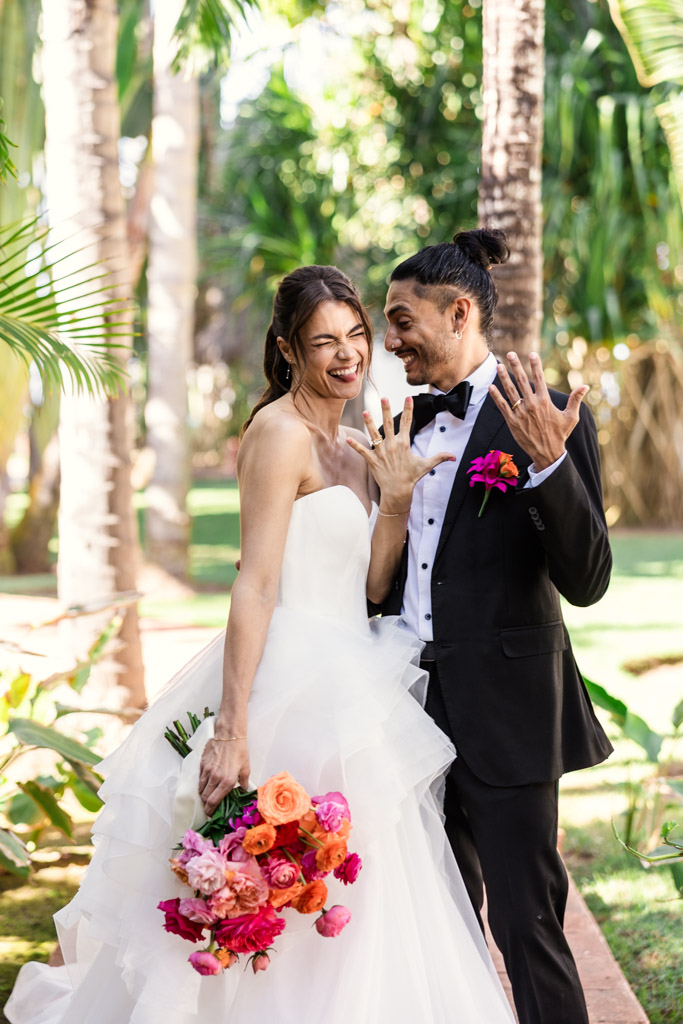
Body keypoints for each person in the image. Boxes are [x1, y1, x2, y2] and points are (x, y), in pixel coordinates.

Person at [5, 265, 515, 1024]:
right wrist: (232, 727)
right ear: (286, 349)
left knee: (353, 891)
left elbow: (372, 587)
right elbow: (255, 585)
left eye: (355, 336)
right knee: (260, 880)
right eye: (323, 342)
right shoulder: (276, 433)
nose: (345, 355)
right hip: (286, 680)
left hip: (353, 679)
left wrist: (397, 501)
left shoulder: (351, 441)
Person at [375, 227, 614, 1024]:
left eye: (402, 318)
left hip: (509, 712)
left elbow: (587, 580)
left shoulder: (548, 416)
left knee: (526, 924)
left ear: (457, 312)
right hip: (403, 712)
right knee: (428, 929)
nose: (390, 337)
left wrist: (547, 467)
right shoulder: (397, 424)